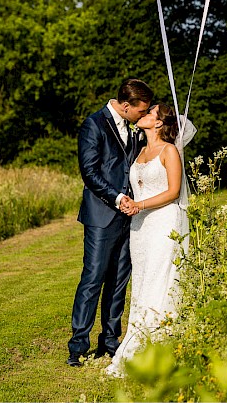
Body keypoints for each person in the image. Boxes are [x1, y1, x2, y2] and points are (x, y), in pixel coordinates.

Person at [67, 79, 154, 367]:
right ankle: (78, 346)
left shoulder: (134, 127)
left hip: (130, 217)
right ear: (126, 106)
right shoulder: (93, 125)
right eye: (140, 112)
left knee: (119, 281)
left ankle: (110, 340)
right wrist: (118, 198)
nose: (143, 117)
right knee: (93, 280)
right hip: (102, 215)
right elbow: (89, 172)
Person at [106, 102, 193, 378]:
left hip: (163, 223)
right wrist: (132, 205)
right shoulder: (141, 150)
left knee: (160, 281)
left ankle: (156, 347)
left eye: (150, 112)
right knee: (143, 283)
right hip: (139, 228)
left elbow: (173, 191)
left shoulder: (169, 151)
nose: (143, 115)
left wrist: (140, 205)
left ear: (158, 123)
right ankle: (139, 338)